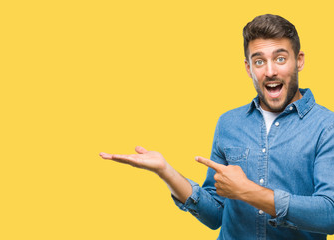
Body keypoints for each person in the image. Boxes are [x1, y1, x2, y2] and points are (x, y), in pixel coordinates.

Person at [99, 14, 334, 239]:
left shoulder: (326, 126)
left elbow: (330, 214)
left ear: (299, 60)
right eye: (259, 61)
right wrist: (166, 172)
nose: (270, 71)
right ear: (248, 67)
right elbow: (216, 214)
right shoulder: (229, 123)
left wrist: (247, 191)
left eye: (280, 58)